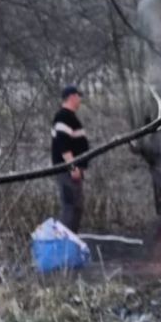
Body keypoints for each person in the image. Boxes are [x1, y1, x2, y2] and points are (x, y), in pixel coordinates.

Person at [51, 85, 90, 232]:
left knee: (77, 207)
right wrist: (72, 167)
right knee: (70, 207)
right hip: (67, 171)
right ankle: (64, 243)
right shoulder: (63, 116)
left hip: (73, 171)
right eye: (78, 96)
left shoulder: (70, 117)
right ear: (72, 97)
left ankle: (72, 240)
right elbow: (63, 144)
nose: (80, 100)